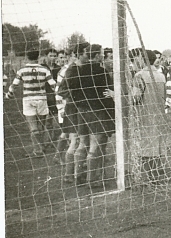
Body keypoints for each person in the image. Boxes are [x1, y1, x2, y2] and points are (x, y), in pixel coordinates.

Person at [66, 44, 115, 187]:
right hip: (96, 111)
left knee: (83, 143)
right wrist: (111, 112)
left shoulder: (80, 70)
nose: (102, 55)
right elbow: (106, 94)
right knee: (96, 144)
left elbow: (73, 91)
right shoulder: (101, 72)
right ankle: (92, 180)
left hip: (81, 110)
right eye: (101, 53)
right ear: (97, 55)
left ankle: (78, 176)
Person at [5, 49, 56, 158]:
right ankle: (40, 147)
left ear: (27, 57)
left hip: (28, 100)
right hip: (42, 99)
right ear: (38, 57)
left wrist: (9, 94)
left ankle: (37, 150)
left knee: (33, 127)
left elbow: (14, 85)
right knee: (41, 125)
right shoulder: (44, 69)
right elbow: (53, 84)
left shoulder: (22, 70)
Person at [131, 50, 169, 183]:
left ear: (144, 59)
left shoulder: (139, 76)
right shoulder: (161, 76)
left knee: (146, 146)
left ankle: (149, 177)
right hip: (158, 114)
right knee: (157, 144)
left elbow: (134, 98)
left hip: (145, 114)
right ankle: (157, 173)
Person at [56, 43, 90, 184]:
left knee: (81, 141)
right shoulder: (72, 69)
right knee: (77, 140)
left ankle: (75, 174)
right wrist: (77, 95)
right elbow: (61, 91)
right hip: (74, 108)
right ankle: (71, 175)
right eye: (86, 53)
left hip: (80, 107)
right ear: (79, 54)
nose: (88, 55)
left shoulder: (83, 68)